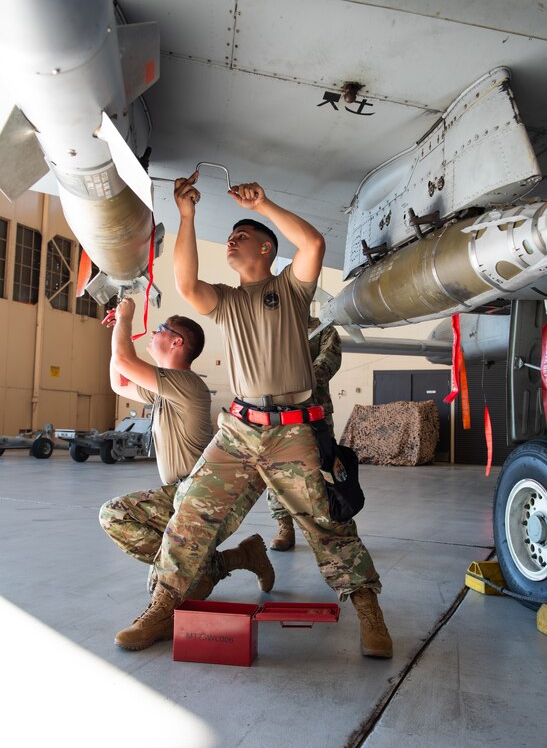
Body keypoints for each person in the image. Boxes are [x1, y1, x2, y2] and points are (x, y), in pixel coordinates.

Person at [114, 174, 393, 659]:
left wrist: (264, 204)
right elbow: (184, 282)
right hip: (239, 431)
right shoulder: (227, 302)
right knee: (189, 513)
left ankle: (368, 610)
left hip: (292, 432)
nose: (232, 242)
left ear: (266, 249)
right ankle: (163, 605)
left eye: (241, 237)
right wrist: (186, 216)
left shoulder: (291, 289)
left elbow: (312, 242)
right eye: (230, 238)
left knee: (327, 525)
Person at [99, 298, 274, 649]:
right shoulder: (165, 389)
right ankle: (239, 557)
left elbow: (125, 361)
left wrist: (127, 318)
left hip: (207, 500)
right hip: (177, 496)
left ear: (177, 342)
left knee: (174, 578)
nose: (154, 333)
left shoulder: (187, 385)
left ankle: (181, 589)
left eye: (160, 329)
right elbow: (120, 380)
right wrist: (120, 326)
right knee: (117, 517)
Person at [269, 316, 341, 551]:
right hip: (278, 412)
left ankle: (331, 527)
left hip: (314, 413)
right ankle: (284, 526)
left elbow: (327, 362)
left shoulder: (322, 329)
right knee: (276, 471)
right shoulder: (273, 326)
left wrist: (294, 378)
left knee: (324, 469)